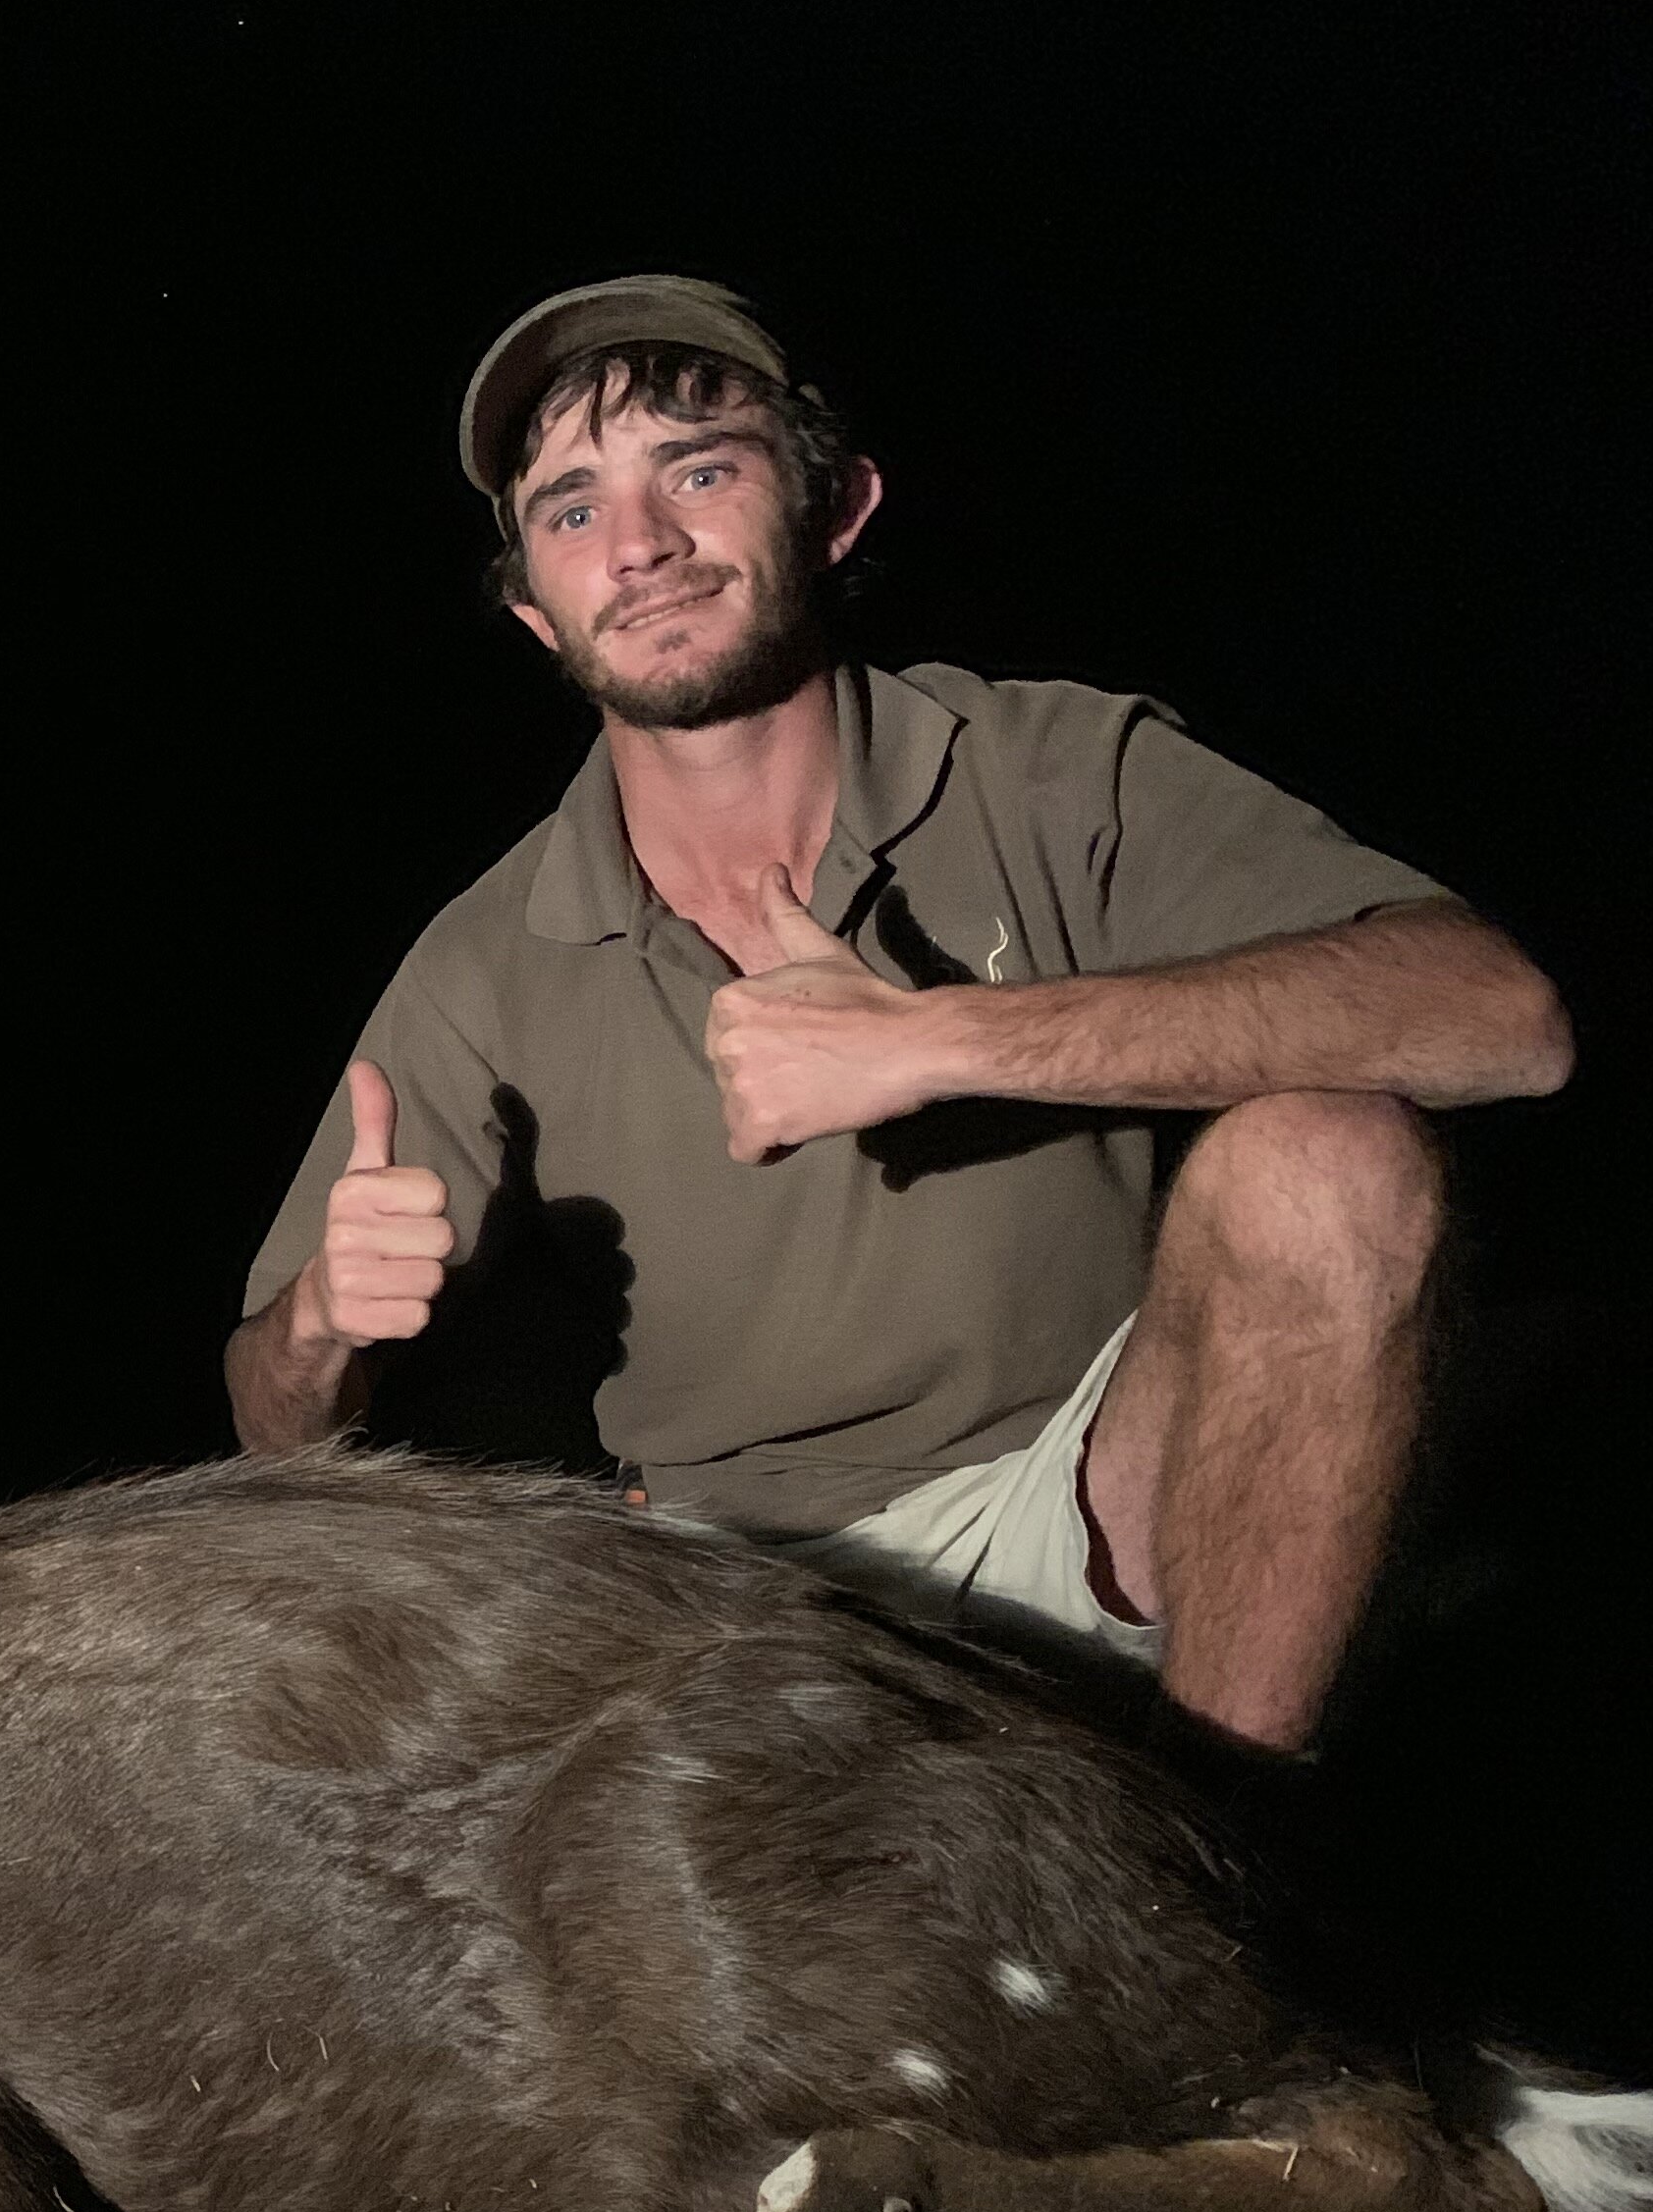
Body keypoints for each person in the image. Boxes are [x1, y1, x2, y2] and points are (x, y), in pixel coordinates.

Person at [226, 277, 1571, 1758]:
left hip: (1087, 1505)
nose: (644, 546)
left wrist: (940, 1041)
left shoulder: (1047, 770)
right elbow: (275, 1428)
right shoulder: (488, 955)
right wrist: (318, 1328)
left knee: (1330, 1163)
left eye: (700, 466)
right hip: (733, 1597)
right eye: (572, 509)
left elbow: (1501, 1017)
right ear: (542, 617)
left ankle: (1223, 1856)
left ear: (836, 506)